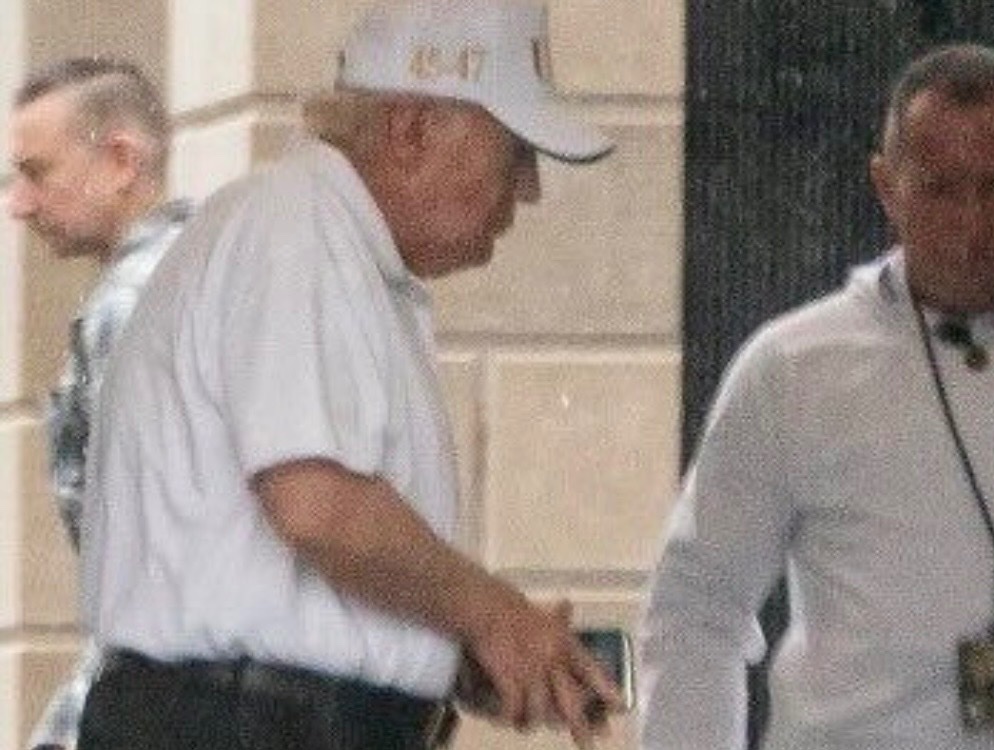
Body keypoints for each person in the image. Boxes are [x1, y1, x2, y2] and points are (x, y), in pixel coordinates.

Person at [75, 2, 624, 749]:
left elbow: (309, 579)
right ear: (412, 129)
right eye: (516, 153)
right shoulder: (296, 226)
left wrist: (468, 651)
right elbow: (317, 505)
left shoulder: (330, 248)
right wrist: (492, 616)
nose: (526, 190)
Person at [638, 42, 994, 750]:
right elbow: (697, 603)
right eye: (940, 190)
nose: (972, 226)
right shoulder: (793, 370)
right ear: (885, 187)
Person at [7, 57, 192, 750]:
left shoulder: (132, 304)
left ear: (120, 161)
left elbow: (149, 558)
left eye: (37, 172)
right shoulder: (205, 269)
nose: (19, 204)